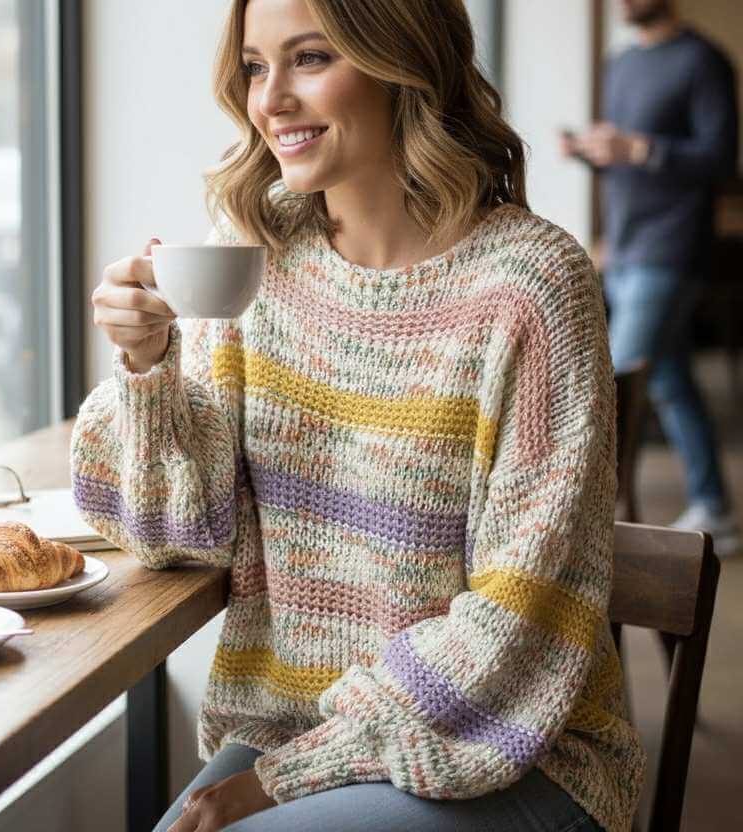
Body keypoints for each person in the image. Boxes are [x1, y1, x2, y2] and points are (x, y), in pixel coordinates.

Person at [73, 1, 645, 830]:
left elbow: (518, 617)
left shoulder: (532, 287)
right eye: (256, 66)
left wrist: (285, 780)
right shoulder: (255, 263)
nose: (269, 101)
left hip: (513, 742)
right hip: (294, 727)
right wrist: (146, 367)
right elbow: (174, 531)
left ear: (398, 60)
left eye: (309, 59)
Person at [560, 0, 740, 556]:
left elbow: (720, 159)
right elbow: (626, 166)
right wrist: (595, 156)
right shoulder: (621, 63)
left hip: (672, 248)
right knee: (667, 380)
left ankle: (586, 527)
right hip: (627, 246)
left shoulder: (703, 60)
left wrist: (637, 147)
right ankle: (717, 506)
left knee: (614, 383)